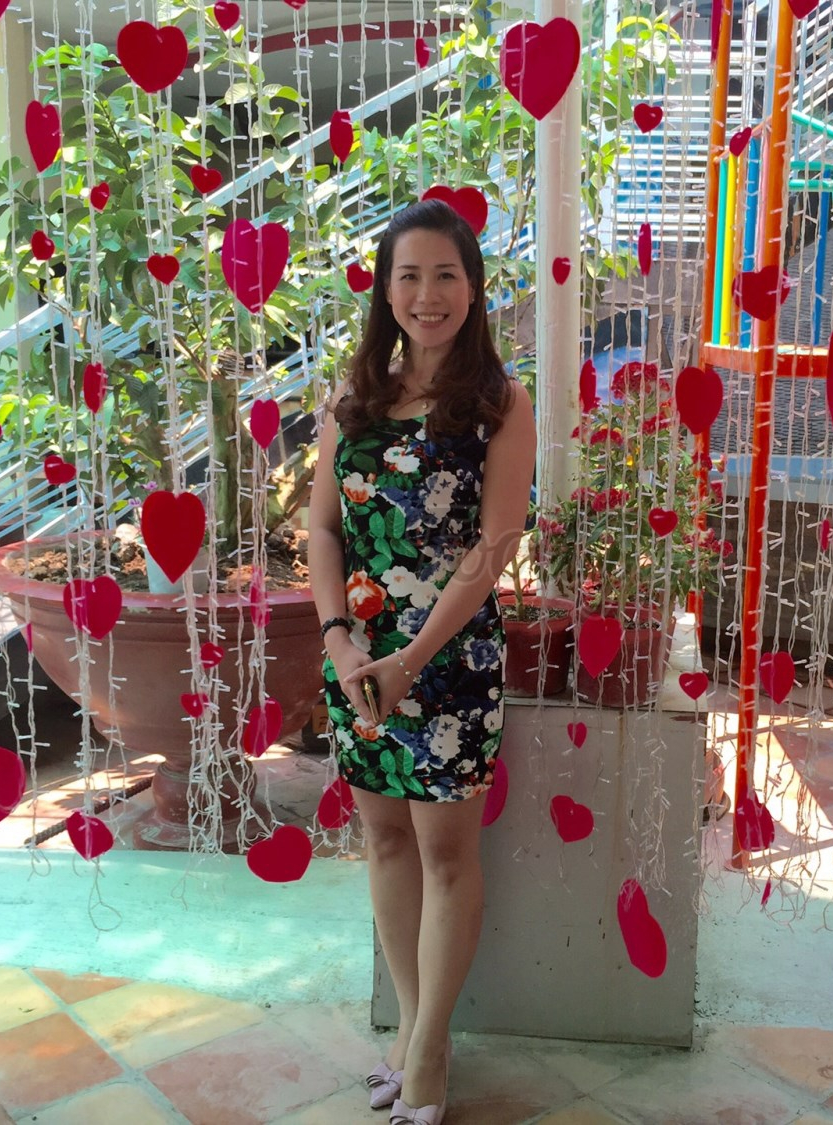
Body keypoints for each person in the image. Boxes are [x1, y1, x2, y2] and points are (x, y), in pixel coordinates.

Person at [307, 198, 536, 1125]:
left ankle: (433, 1047)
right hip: (358, 661)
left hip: (448, 659)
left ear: (473, 288)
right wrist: (339, 639)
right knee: (386, 841)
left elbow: (495, 545)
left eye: (446, 274)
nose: (427, 294)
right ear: (386, 289)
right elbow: (323, 529)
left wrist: (411, 657)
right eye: (409, 276)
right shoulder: (355, 397)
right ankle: (408, 1027)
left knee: (445, 851)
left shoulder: (498, 402)